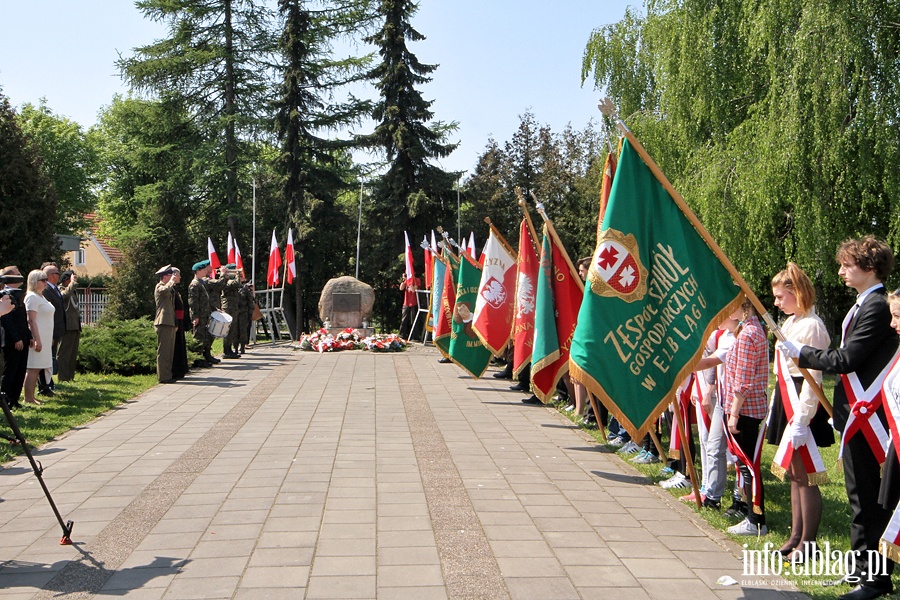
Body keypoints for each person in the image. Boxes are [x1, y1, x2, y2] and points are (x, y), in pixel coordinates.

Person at [780, 236, 897, 600]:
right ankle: (861, 572)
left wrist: (803, 352)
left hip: (871, 418)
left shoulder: (876, 306)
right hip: (855, 415)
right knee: (858, 497)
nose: (841, 271)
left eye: (848, 265)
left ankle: (875, 580)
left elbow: (848, 360)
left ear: (870, 268)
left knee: (869, 501)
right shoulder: (863, 304)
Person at [768, 264, 833, 562]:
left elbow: (813, 377)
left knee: (806, 475)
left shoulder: (812, 326)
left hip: (803, 401)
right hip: (787, 397)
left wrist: (803, 418)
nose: (777, 303)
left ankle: (808, 542)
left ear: (797, 293)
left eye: (781, 296)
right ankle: (795, 534)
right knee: (795, 473)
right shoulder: (792, 322)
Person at [722, 297, 770, 536]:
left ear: (744, 306)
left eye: (731, 305)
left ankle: (757, 520)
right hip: (745, 409)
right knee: (745, 465)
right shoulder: (748, 330)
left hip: (746, 410)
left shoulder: (749, 333)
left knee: (748, 466)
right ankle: (751, 515)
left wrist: (734, 413)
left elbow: (743, 380)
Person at [0, 266, 30, 408]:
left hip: (23, 338)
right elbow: (7, 321)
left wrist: (28, 336)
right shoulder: (5, 295)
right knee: (10, 370)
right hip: (12, 341)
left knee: (20, 370)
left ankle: (14, 399)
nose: (20, 277)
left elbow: (23, 319)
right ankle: (5, 400)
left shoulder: (18, 294)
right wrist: (16, 338)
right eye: (17, 274)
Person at [24, 269, 54, 405]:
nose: (46, 282)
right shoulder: (31, 297)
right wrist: (37, 339)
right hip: (38, 338)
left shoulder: (41, 296)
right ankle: (28, 397)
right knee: (33, 368)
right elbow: (31, 320)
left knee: (39, 367)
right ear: (34, 282)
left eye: (46, 279)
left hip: (46, 338)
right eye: (43, 280)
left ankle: (31, 396)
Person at [39, 262, 66, 395]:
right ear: (51, 276)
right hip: (50, 331)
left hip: (57, 330)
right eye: (57, 273)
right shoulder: (46, 291)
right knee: (47, 358)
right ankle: (45, 385)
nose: (59, 275)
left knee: (51, 357)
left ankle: (49, 383)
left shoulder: (54, 288)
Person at [154, 265, 178, 384]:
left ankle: (167, 375)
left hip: (169, 322)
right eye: (170, 275)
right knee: (163, 351)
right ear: (164, 277)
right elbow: (164, 290)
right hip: (163, 322)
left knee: (169, 351)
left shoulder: (168, 287)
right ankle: (163, 377)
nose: (172, 278)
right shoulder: (160, 286)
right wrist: (171, 282)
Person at [57, 270, 81, 382]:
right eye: (72, 278)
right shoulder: (61, 289)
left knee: (72, 354)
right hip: (67, 326)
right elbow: (64, 296)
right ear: (66, 280)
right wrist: (72, 284)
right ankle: (63, 377)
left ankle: (70, 377)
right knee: (64, 354)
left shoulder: (72, 291)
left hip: (74, 325)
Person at [170, 268, 189, 380]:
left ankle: (181, 370)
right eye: (178, 275)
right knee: (176, 346)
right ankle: (176, 371)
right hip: (175, 319)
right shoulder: (170, 288)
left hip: (180, 319)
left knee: (180, 345)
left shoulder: (175, 289)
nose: (180, 277)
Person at [220, 264, 242, 358]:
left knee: (232, 330)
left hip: (233, 307)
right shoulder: (227, 281)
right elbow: (237, 284)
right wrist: (238, 275)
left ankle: (229, 349)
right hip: (228, 307)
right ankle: (226, 351)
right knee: (227, 330)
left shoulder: (229, 281)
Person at [399, 273, 421, 341]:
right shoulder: (406, 281)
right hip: (406, 303)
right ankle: (402, 335)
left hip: (414, 302)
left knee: (413, 320)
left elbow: (413, 289)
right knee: (404, 320)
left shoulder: (417, 280)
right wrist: (404, 281)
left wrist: (410, 283)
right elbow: (401, 288)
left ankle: (415, 337)